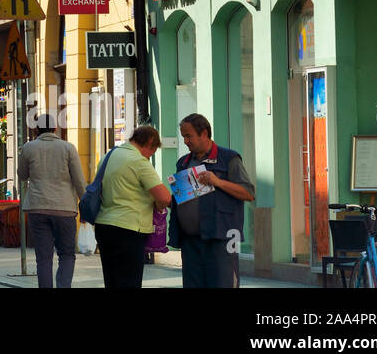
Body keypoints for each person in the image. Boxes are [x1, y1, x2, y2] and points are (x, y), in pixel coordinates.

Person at [167, 113, 256, 288]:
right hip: (191, 241)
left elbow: (248, 193)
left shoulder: (229, 158)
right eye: (183, 136)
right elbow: (181, 200)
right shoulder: (183, 162)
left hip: (221, 238)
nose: (185, 141)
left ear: (204, 134)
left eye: (189, 136)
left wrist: (218, 182)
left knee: (223, 284)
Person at [94, 125, 171, 289]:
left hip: (104, 226)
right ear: (150, 142)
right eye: (152, 151)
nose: (150, 157)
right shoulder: (138, 161)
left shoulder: (108, 156)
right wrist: (157, 206)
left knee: (112, 280)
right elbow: (164, 197)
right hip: (129, 229)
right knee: (129, 281)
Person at [17, 113, 86, 288]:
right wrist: (85, 206)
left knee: (43, 257)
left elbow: (22, 175)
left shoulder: (28, 147)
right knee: (67, 254)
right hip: (65, 209)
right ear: (56, 128)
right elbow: (79, 181)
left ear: (37, 129)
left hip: (37, 208)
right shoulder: (68, 148)